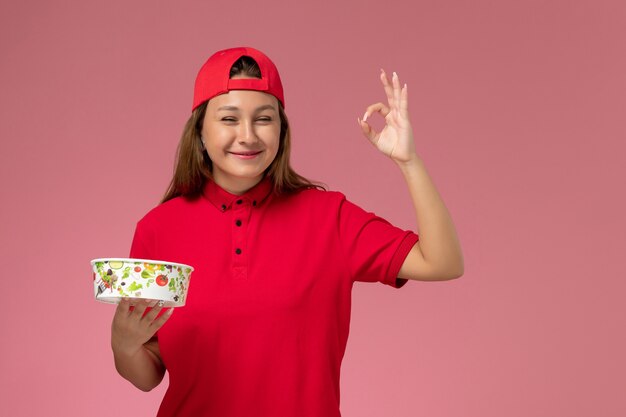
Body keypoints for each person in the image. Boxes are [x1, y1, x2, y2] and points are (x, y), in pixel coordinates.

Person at [111, 46, 464, 417]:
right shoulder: (157, 230)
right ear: (199, 131)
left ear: (282, 129)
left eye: (263, 119)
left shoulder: (330, 218)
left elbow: (443, 262)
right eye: (229, 119)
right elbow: (148, 375)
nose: (247, 136)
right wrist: (124, 345)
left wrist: (409, 162)